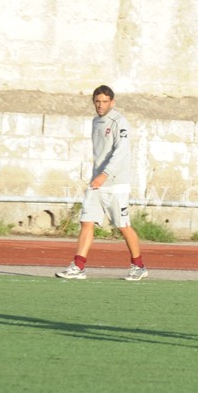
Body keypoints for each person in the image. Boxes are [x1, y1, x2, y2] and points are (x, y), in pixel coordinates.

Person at [56, 85, 147, 281]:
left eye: (105, 101)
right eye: (97, 101)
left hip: (116, 183)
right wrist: (97, 175)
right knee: (86, 221)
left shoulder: (119, 122)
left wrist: (105, 174)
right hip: (97, 181)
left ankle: (138, 266)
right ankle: (78, 266)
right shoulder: (95, 121)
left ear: (112, 102)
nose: (100, 105)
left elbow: (121, 151)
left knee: (123, 226)